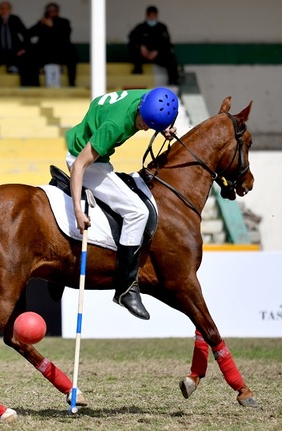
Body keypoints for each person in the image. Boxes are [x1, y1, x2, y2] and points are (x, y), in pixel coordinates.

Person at [65, 88, 179, 320]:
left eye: (151, 126)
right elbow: (79, 166)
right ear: (140, 109)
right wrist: (77, 209)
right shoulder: (114, 126)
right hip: (84, 160)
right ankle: (126, 289)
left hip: (98, 141)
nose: (145, 128)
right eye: (145, 123)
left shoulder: (150, 97)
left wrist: (164, 127)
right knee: (137, 212)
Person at [0, 1, 35, 87]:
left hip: (14, 52)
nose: (4, 11)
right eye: (2, 9)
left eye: (6, 9)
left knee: (25, 59)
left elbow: (26, 34)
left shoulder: (15, 19)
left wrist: (23, 49)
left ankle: (24, 86)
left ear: (10, 10)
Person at [128, 5, 182, 85]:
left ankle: (173, 80)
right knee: (132, 49)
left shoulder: (162, 27)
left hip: (158, 56)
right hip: (143, 56)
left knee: (170, 57)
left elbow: (167, 43)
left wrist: (157, 51)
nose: (152, 19)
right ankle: (137, 72)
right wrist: (141, 46)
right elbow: (131, 38)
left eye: (154, 16)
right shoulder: (140, 27)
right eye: (150, 16)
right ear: (146, 16)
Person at [27, 2, 77, 87]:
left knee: (72, 54)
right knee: (30, 58)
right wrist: (39, 24)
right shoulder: (42, 23)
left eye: (54, 10)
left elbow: (65, 36)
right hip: (45, 53)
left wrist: (52, 26)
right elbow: (28, 34)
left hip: (60, 52)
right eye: (50, 11)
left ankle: (72, 83)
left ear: (57, 11)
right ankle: (35, 86)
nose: (52, 12)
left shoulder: (64, 22)